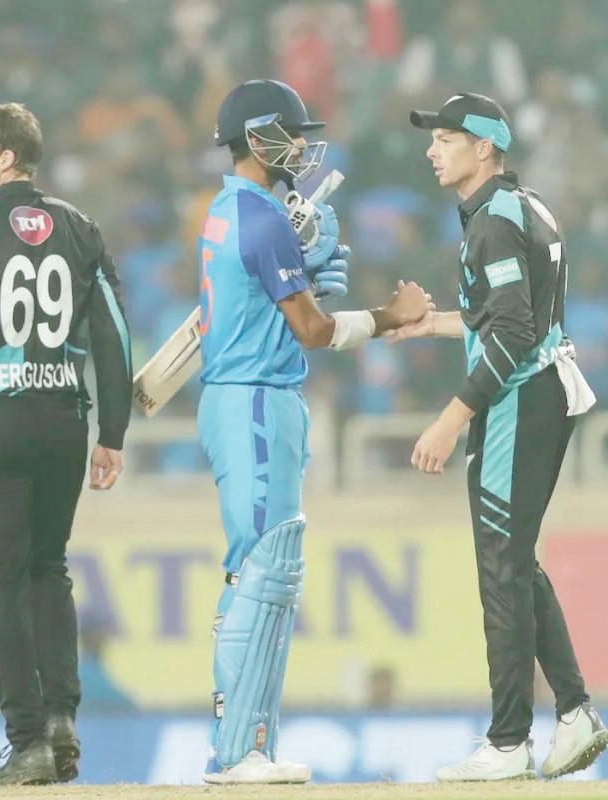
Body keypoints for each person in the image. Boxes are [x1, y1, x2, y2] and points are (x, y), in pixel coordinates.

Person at [199, 79, 431, 785]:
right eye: (292, 133)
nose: (302, 145)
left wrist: (298, 272)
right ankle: (237, 752)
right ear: (258, 136)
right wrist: (389, 317)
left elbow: (264, 306)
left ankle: (252, 745)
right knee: (261, 570)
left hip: (248, 396)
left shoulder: (231, 208)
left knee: (268, 571)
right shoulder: (262, 217)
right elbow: (312, 329)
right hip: (256, 400)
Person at [394, 92, 608, 782]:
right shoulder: (524, 206)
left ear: (484, 148)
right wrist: (435, 324)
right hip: (544, 388)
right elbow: (516, 315)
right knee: (513, 560)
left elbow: (514, 333)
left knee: (501, 567)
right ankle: (572, 711)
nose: (432, 151)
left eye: (445, 139)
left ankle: (510, 740)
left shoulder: (491, 221)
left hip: (520, 398)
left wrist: (452, 417)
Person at [0, 102, 132, 786]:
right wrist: (113, 433)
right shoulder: (80, 227)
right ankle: (63, 719)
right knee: (48, 569)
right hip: (64, 420)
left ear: (5, 158)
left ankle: (28, 741)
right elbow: (114, 337)